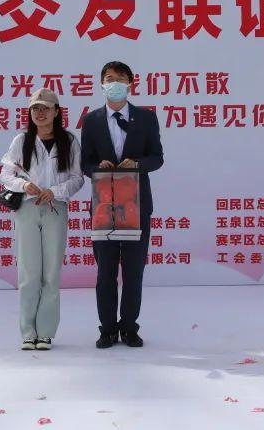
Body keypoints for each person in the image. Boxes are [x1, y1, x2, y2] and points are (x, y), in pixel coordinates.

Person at [80, 61, 164, 348]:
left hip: (136, 205)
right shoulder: (91, 120)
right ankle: (107, 329)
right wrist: (98, 168)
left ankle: (129, 327)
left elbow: (157, 157)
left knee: (133, 271)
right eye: (109, 78)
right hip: (103, 205)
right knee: (105, 272)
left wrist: (137, 164)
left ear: (130, 84)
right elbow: (85, 163)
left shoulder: (146, 117)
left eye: (120, 78)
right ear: (101, 84)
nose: (114, 83)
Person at [0, 88, 85, 351]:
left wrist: (55, 191)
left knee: (51, 273)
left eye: (45, 108)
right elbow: (6, 174)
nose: (40, 113)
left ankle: (45, 333)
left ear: (56, 112)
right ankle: (28, 332)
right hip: (27, 209)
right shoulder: (21, 141)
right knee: (28, 273)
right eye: (35, 108)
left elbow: (78, 178)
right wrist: (24, 185)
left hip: (55, 210)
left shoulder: (69, 141)